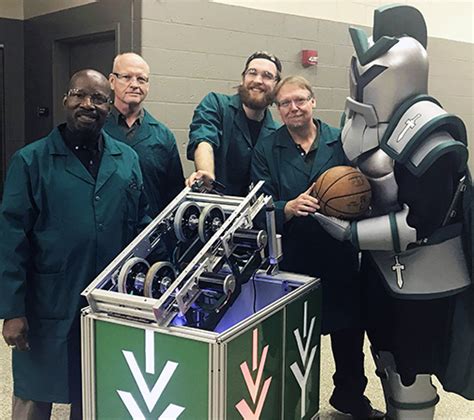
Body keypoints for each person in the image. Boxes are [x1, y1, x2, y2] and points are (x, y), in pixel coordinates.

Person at [313, 4, 474, 418]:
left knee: (411, 369)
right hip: (379, 269)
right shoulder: (359, 125)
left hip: (427, 274)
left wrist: (350, 235)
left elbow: (421, 223)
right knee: (384, 355)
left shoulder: (432, 133)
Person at [0, 69, 149, 420]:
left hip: (107, 301)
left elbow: (143, 226)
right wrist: (12, 310)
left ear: (109, 106)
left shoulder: (126, 160)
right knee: (35, 392)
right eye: (79, 95)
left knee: (97, 387)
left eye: (98, 98)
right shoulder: (31, 161)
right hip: (46, 299)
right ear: (65, 100)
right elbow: (11, 238)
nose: (88, 104)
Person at [251, 76, 383, 419]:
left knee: (349, 334)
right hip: (295, 256)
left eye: (300, 100)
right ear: (278, 110)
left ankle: (349, 396)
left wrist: (356, 205)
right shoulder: (267, 148)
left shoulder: (339, 141)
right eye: (285, 103)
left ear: (313, 101)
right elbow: (257, 206)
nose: (293, 108)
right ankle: (290, 403)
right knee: (295, 338)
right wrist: (287, 208)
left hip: (339, 253)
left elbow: (363, 186)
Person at [186, 51, 281, 196]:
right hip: (215, 209)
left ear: (277, 85)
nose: (258, 80)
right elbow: (204, 140)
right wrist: (206, 174)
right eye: (252, 73)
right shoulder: (216, 104)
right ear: (243, 78)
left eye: (267, 76)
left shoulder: (277, 132)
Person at [105, 52, 185, 217]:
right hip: (107, 233)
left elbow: (174, 196)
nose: (134, 84)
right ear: (112, 81)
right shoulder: (96, 129)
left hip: (149, 234)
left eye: (141, 79)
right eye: (126, 77)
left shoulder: (163, 136)